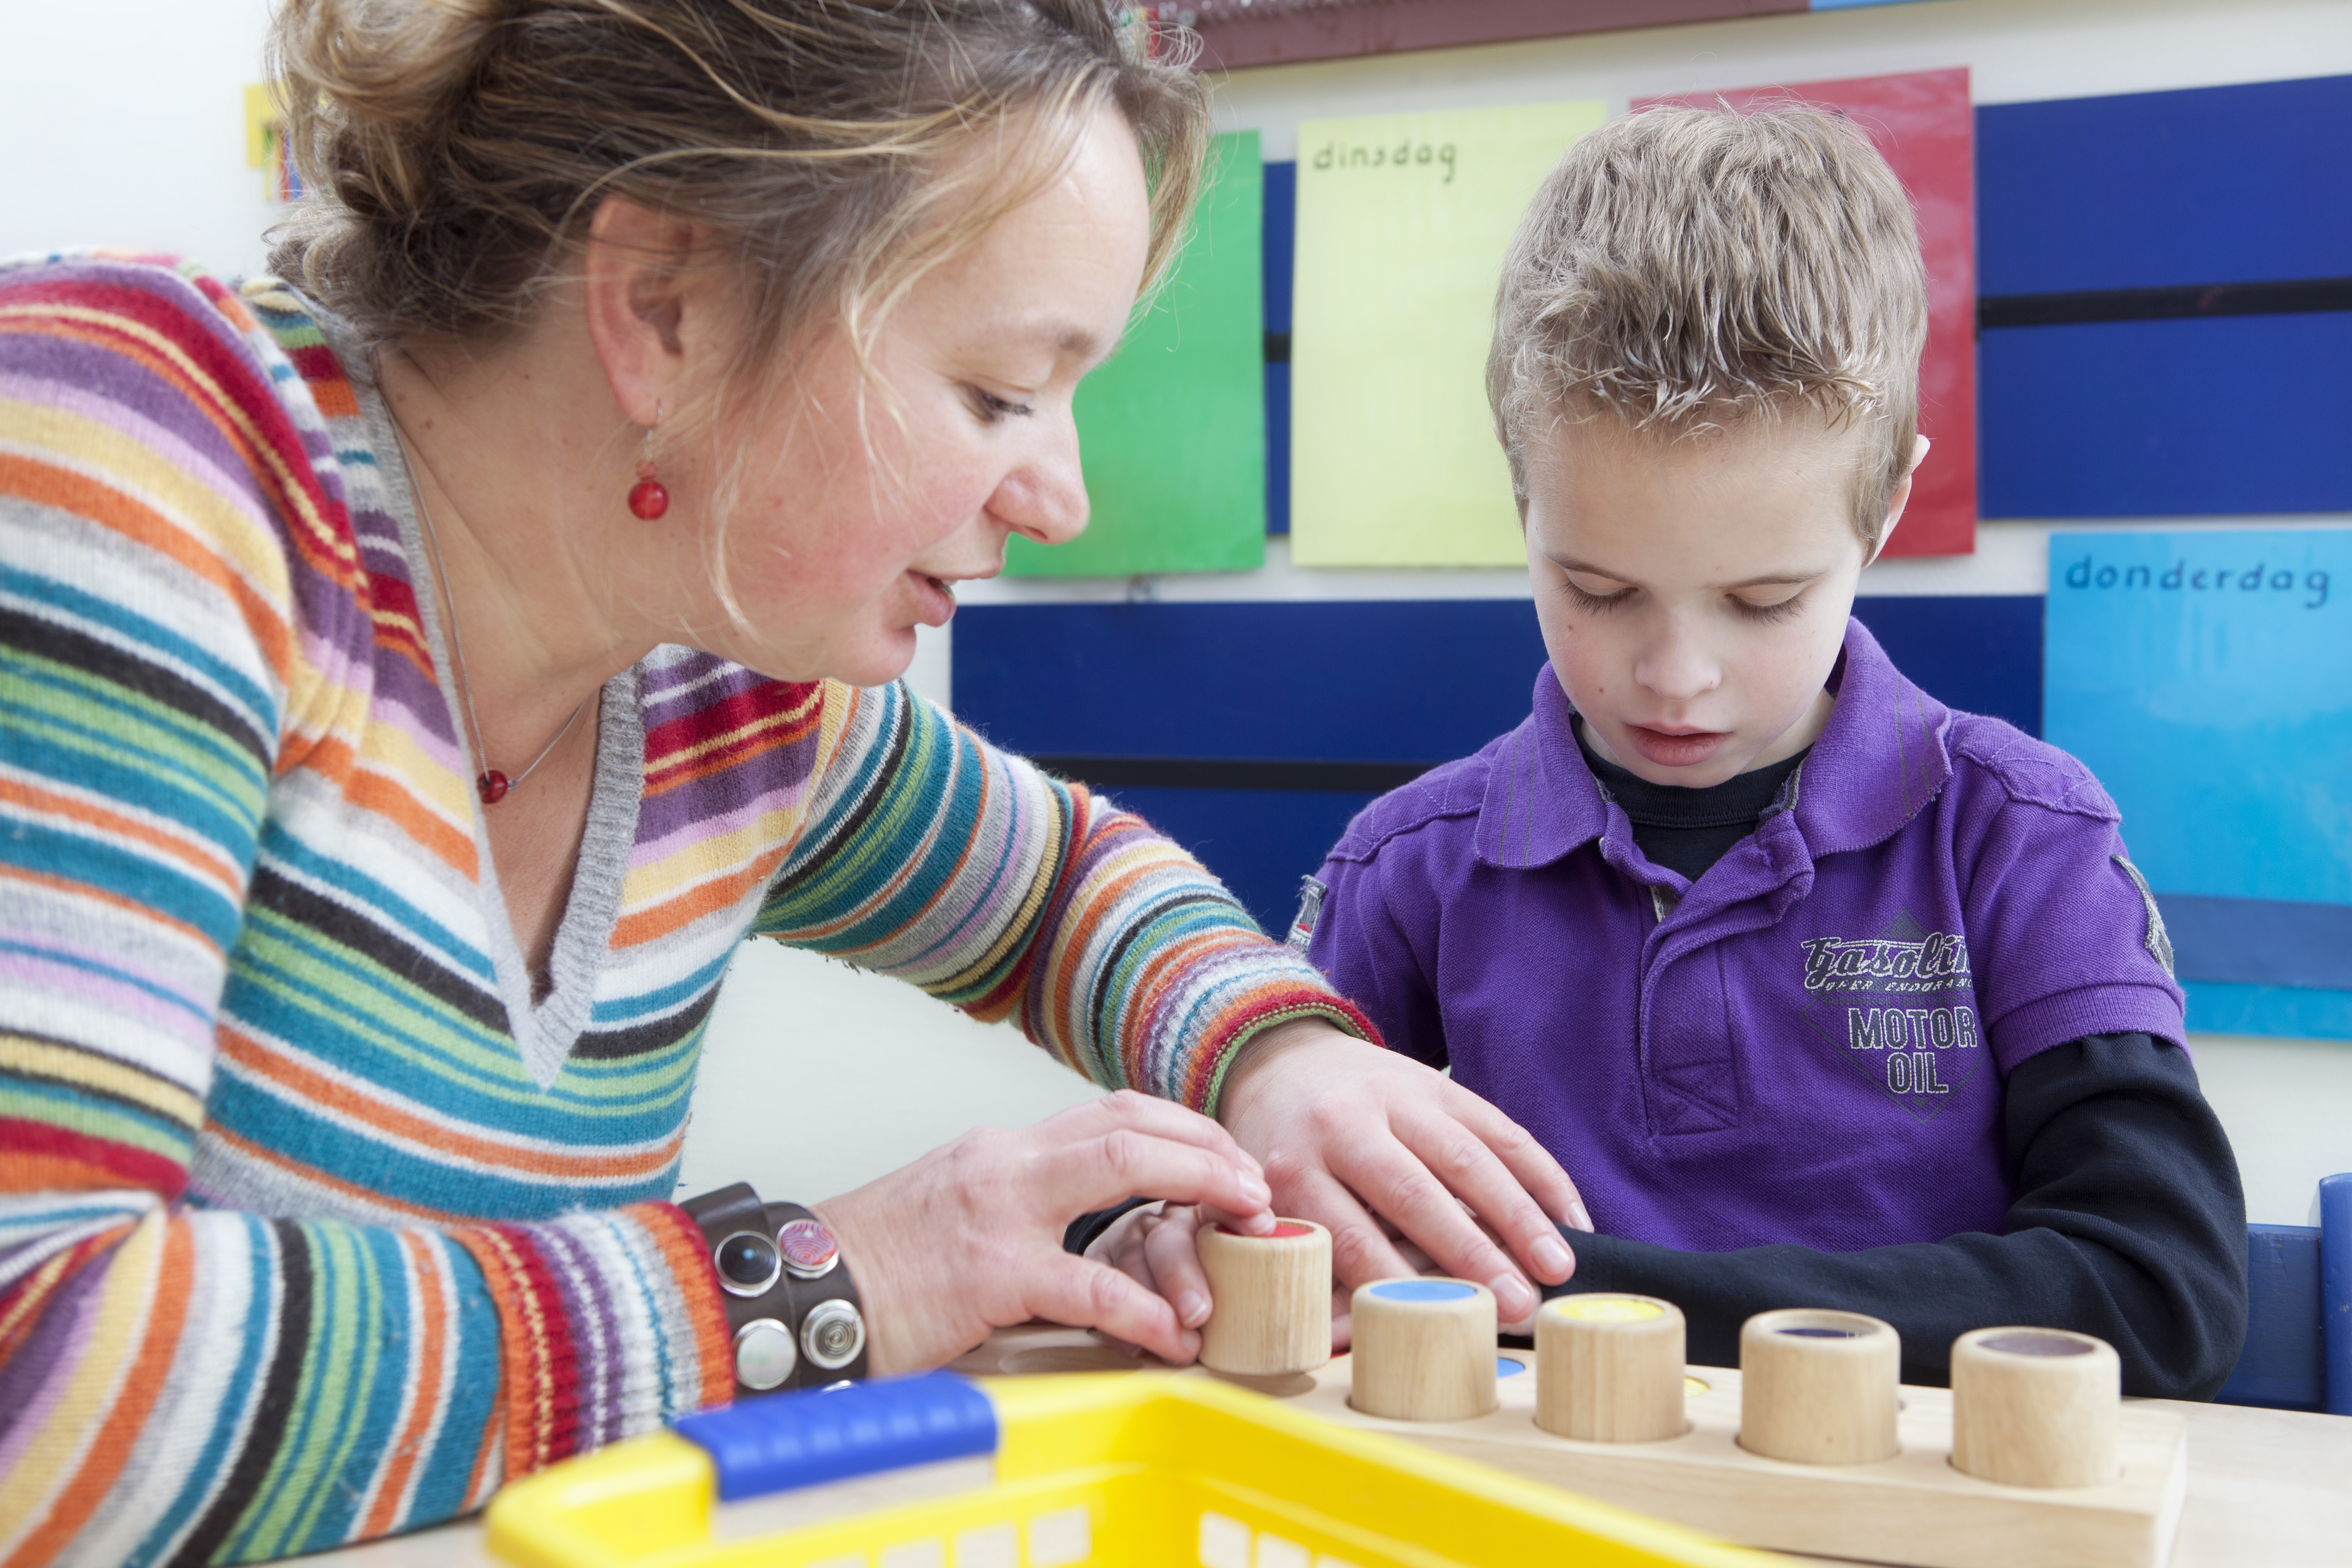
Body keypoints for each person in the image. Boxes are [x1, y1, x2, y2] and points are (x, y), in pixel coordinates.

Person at [0, 3, 1586, 1560]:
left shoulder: (727, 690)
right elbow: (38, 1381)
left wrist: (1276, 1061)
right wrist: (828, 1285)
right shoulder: (130, 452)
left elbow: (1061, 890)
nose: (1063, 495)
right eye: (1000, 392)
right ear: (669, 307)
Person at [1300, 106, 2247, 1398]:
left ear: (1888, 506)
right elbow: (1257, 1223)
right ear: (1523, 495)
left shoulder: (2022, 840)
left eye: (1762, 604)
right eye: (1597, 588)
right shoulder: (1409, 870)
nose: (1676, 676)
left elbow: (2159, 1290)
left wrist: (1572, 1292)